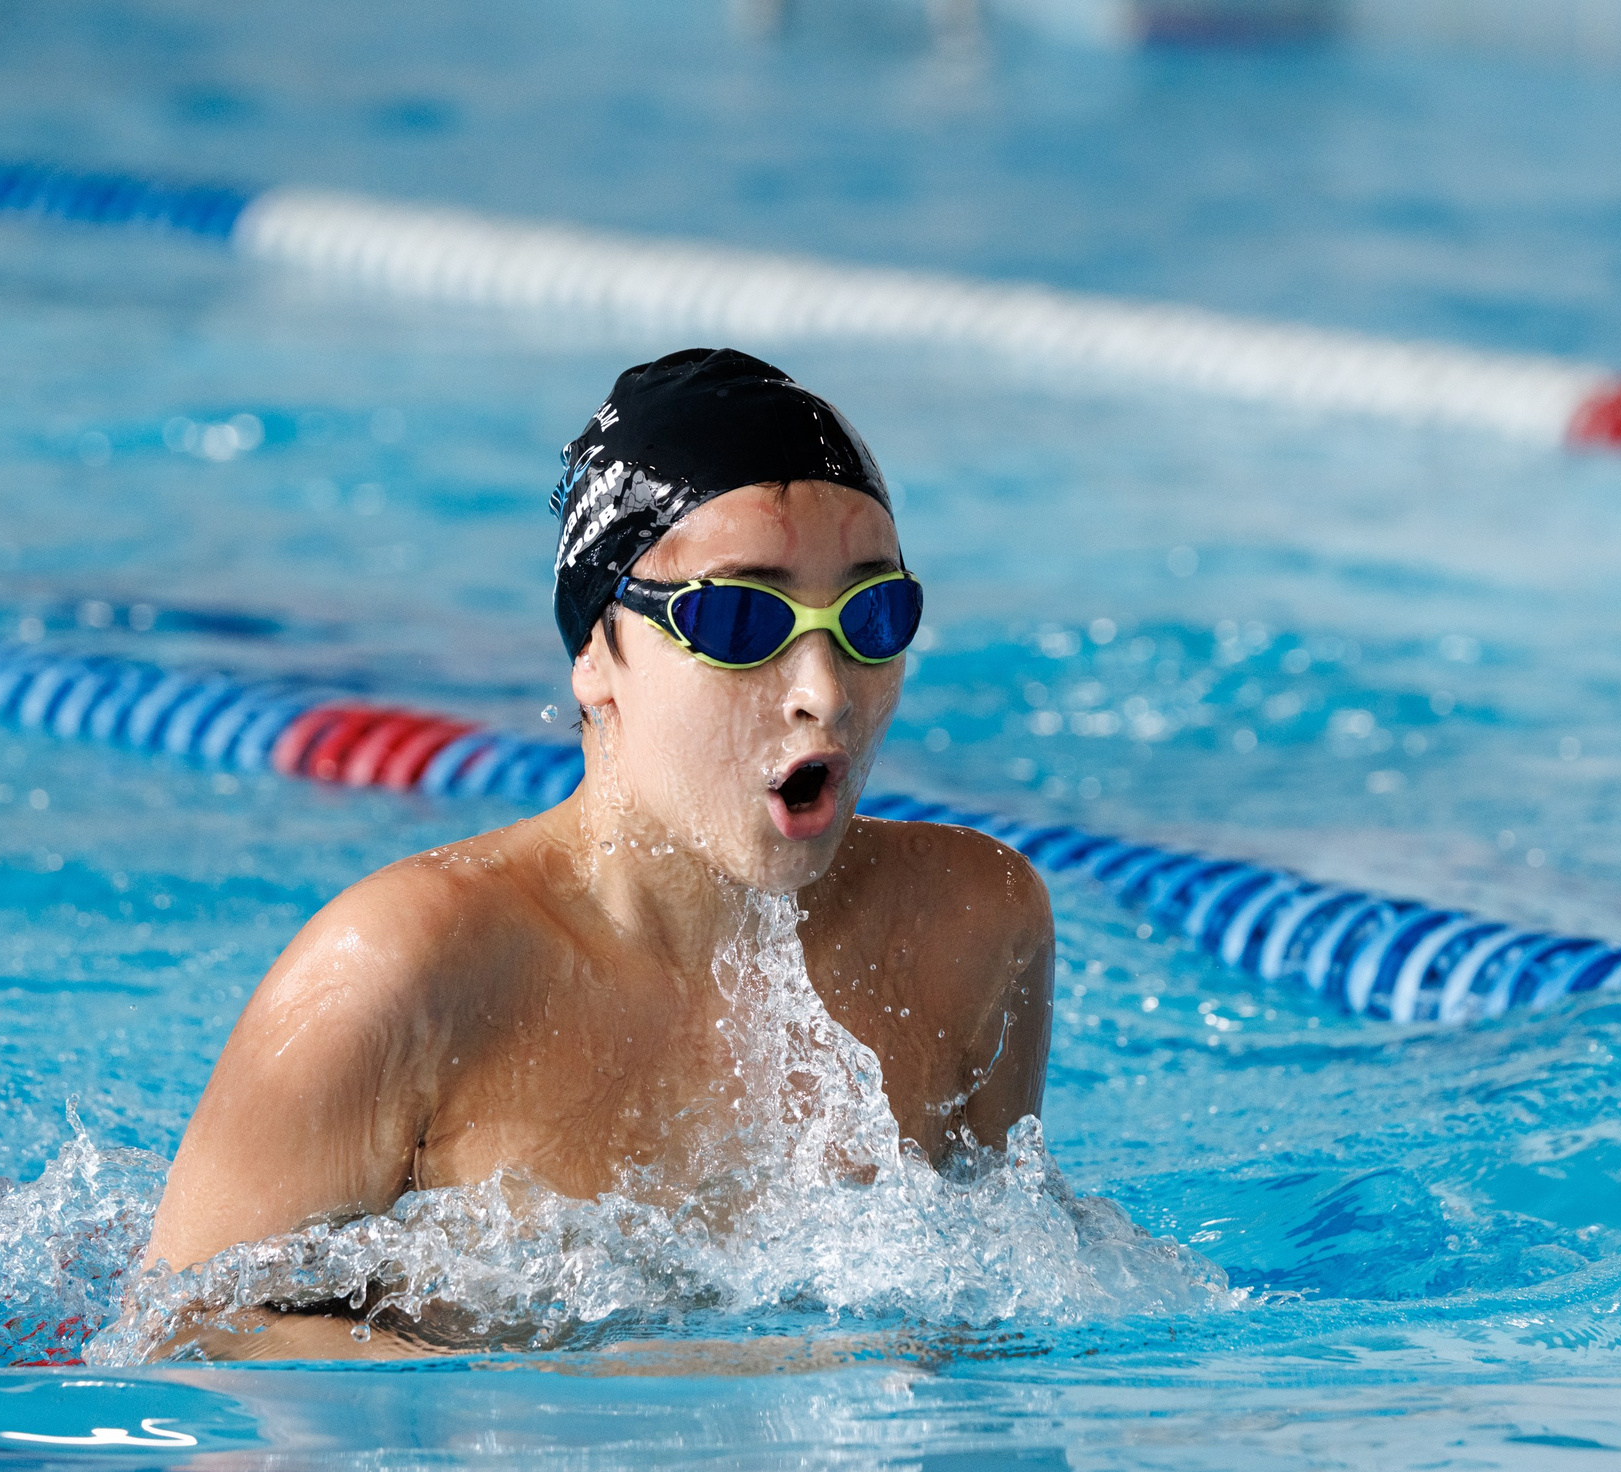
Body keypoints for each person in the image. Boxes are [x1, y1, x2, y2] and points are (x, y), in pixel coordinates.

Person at [131, 348, 1053, 1358]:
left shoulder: (972, 924)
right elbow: (181, 1337)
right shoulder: (403, 968)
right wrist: (659, 1385)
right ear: (595, 655)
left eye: (872, 618)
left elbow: (994, 1305)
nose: (825, 693)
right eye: (739, 619)